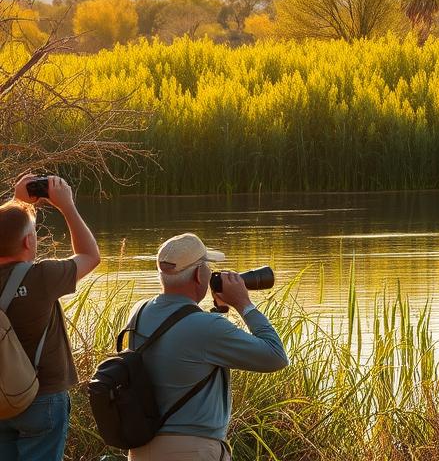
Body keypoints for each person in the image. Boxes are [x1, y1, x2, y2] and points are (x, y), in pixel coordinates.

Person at [125, 233, 288, 460]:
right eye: (207, 266)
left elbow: (186, 348)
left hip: (142, 449)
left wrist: (218, 312)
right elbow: (276, 356)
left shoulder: (139, 311)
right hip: (193, 451)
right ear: (198, 275)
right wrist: (244, 304)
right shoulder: (206, 327)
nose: (211, 272)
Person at [0, 175, 99, 461]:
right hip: (42, 396)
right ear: (30, 241)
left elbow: (7, 234)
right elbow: (89, 255)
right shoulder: (43, 277)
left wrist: (17, 203)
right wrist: (67, 207)